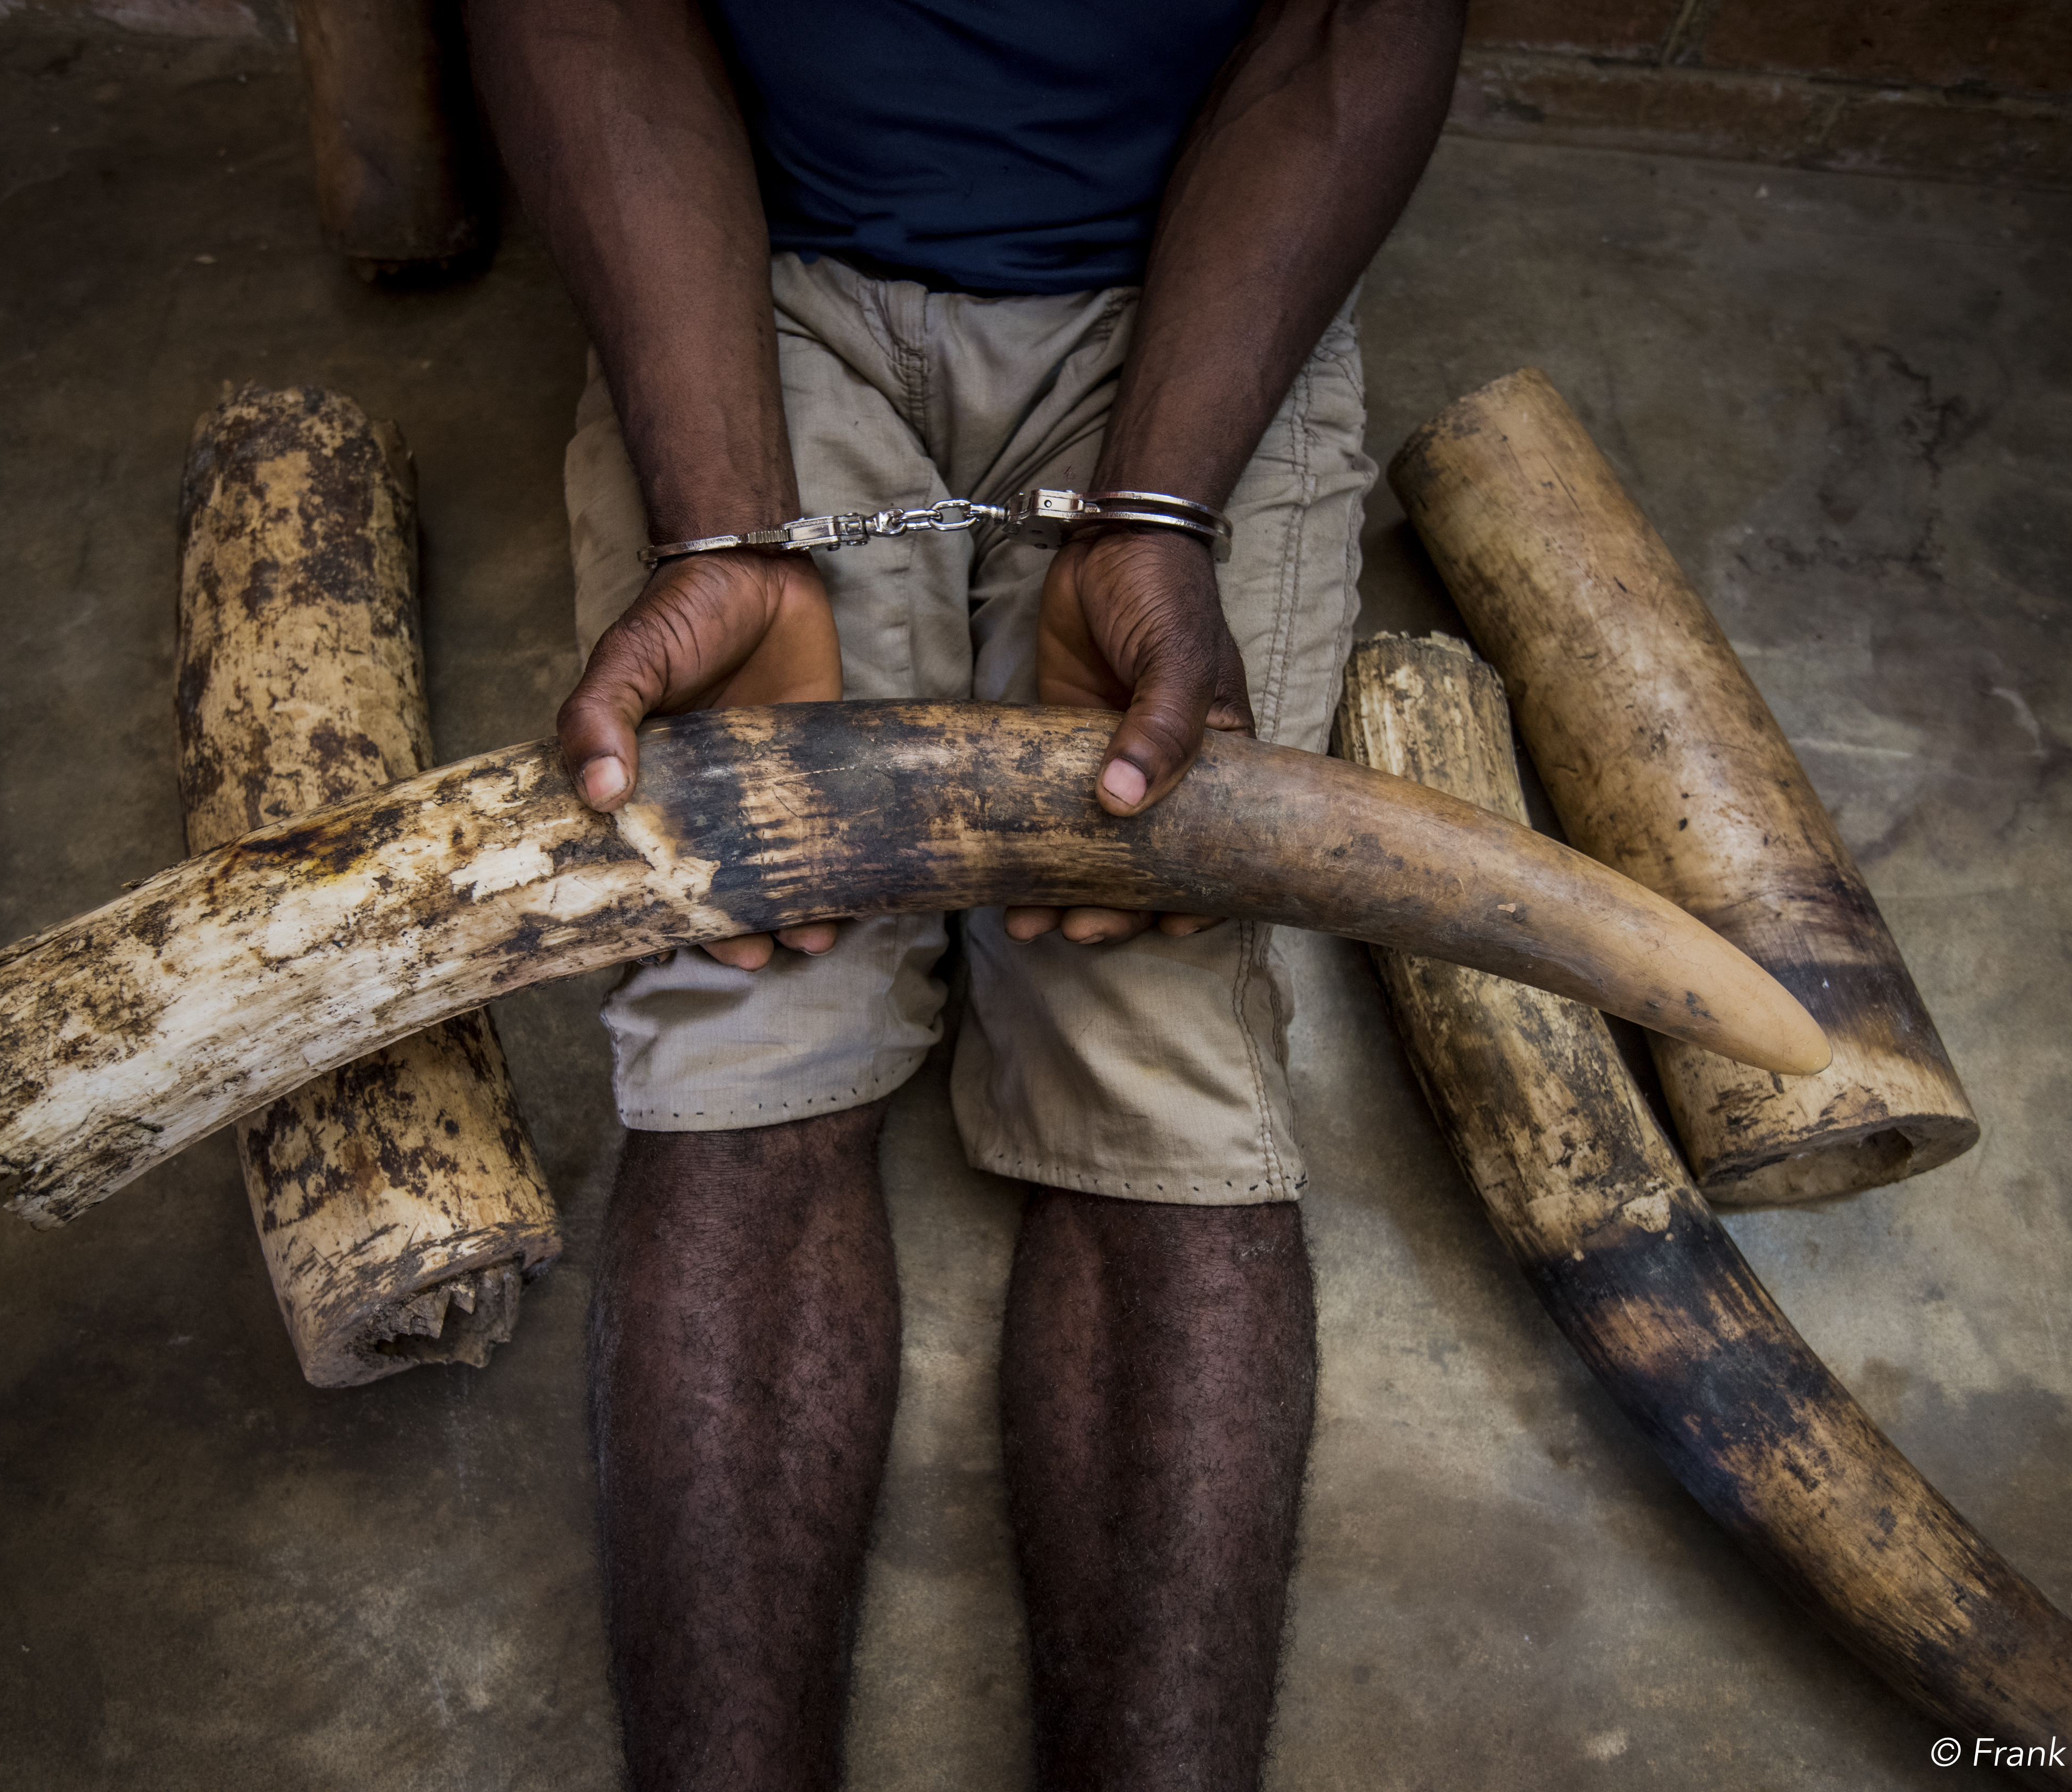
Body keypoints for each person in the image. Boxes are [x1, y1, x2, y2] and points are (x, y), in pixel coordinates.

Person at [470, 3, 1465, 1784]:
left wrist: (1156, 507)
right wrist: (722, 531)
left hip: (1190, 296)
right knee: (748, 1000)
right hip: (753, 277)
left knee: (1153, 1027)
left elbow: (1349, 26)